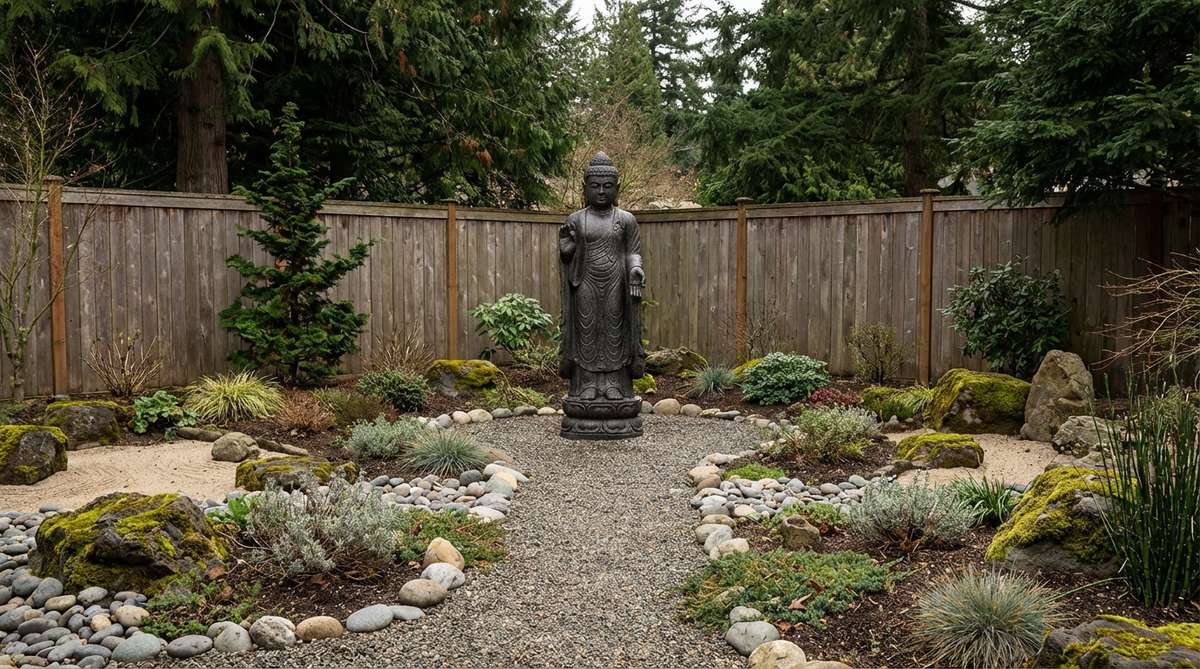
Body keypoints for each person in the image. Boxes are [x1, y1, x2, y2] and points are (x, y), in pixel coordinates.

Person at [558, 152, 646, 439]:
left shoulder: (626, 220)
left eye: (607, 186)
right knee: (587, 330)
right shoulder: (577, 219)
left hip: (616, 282)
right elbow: (567, 254)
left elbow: (632, 253)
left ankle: (614, 386)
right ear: (584, 187)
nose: (601, 191)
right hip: (584, 281)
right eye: (595, 186)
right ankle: (585, 386)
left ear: (616, 188)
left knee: (613, 331)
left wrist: (636, 270)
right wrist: (567, 247)